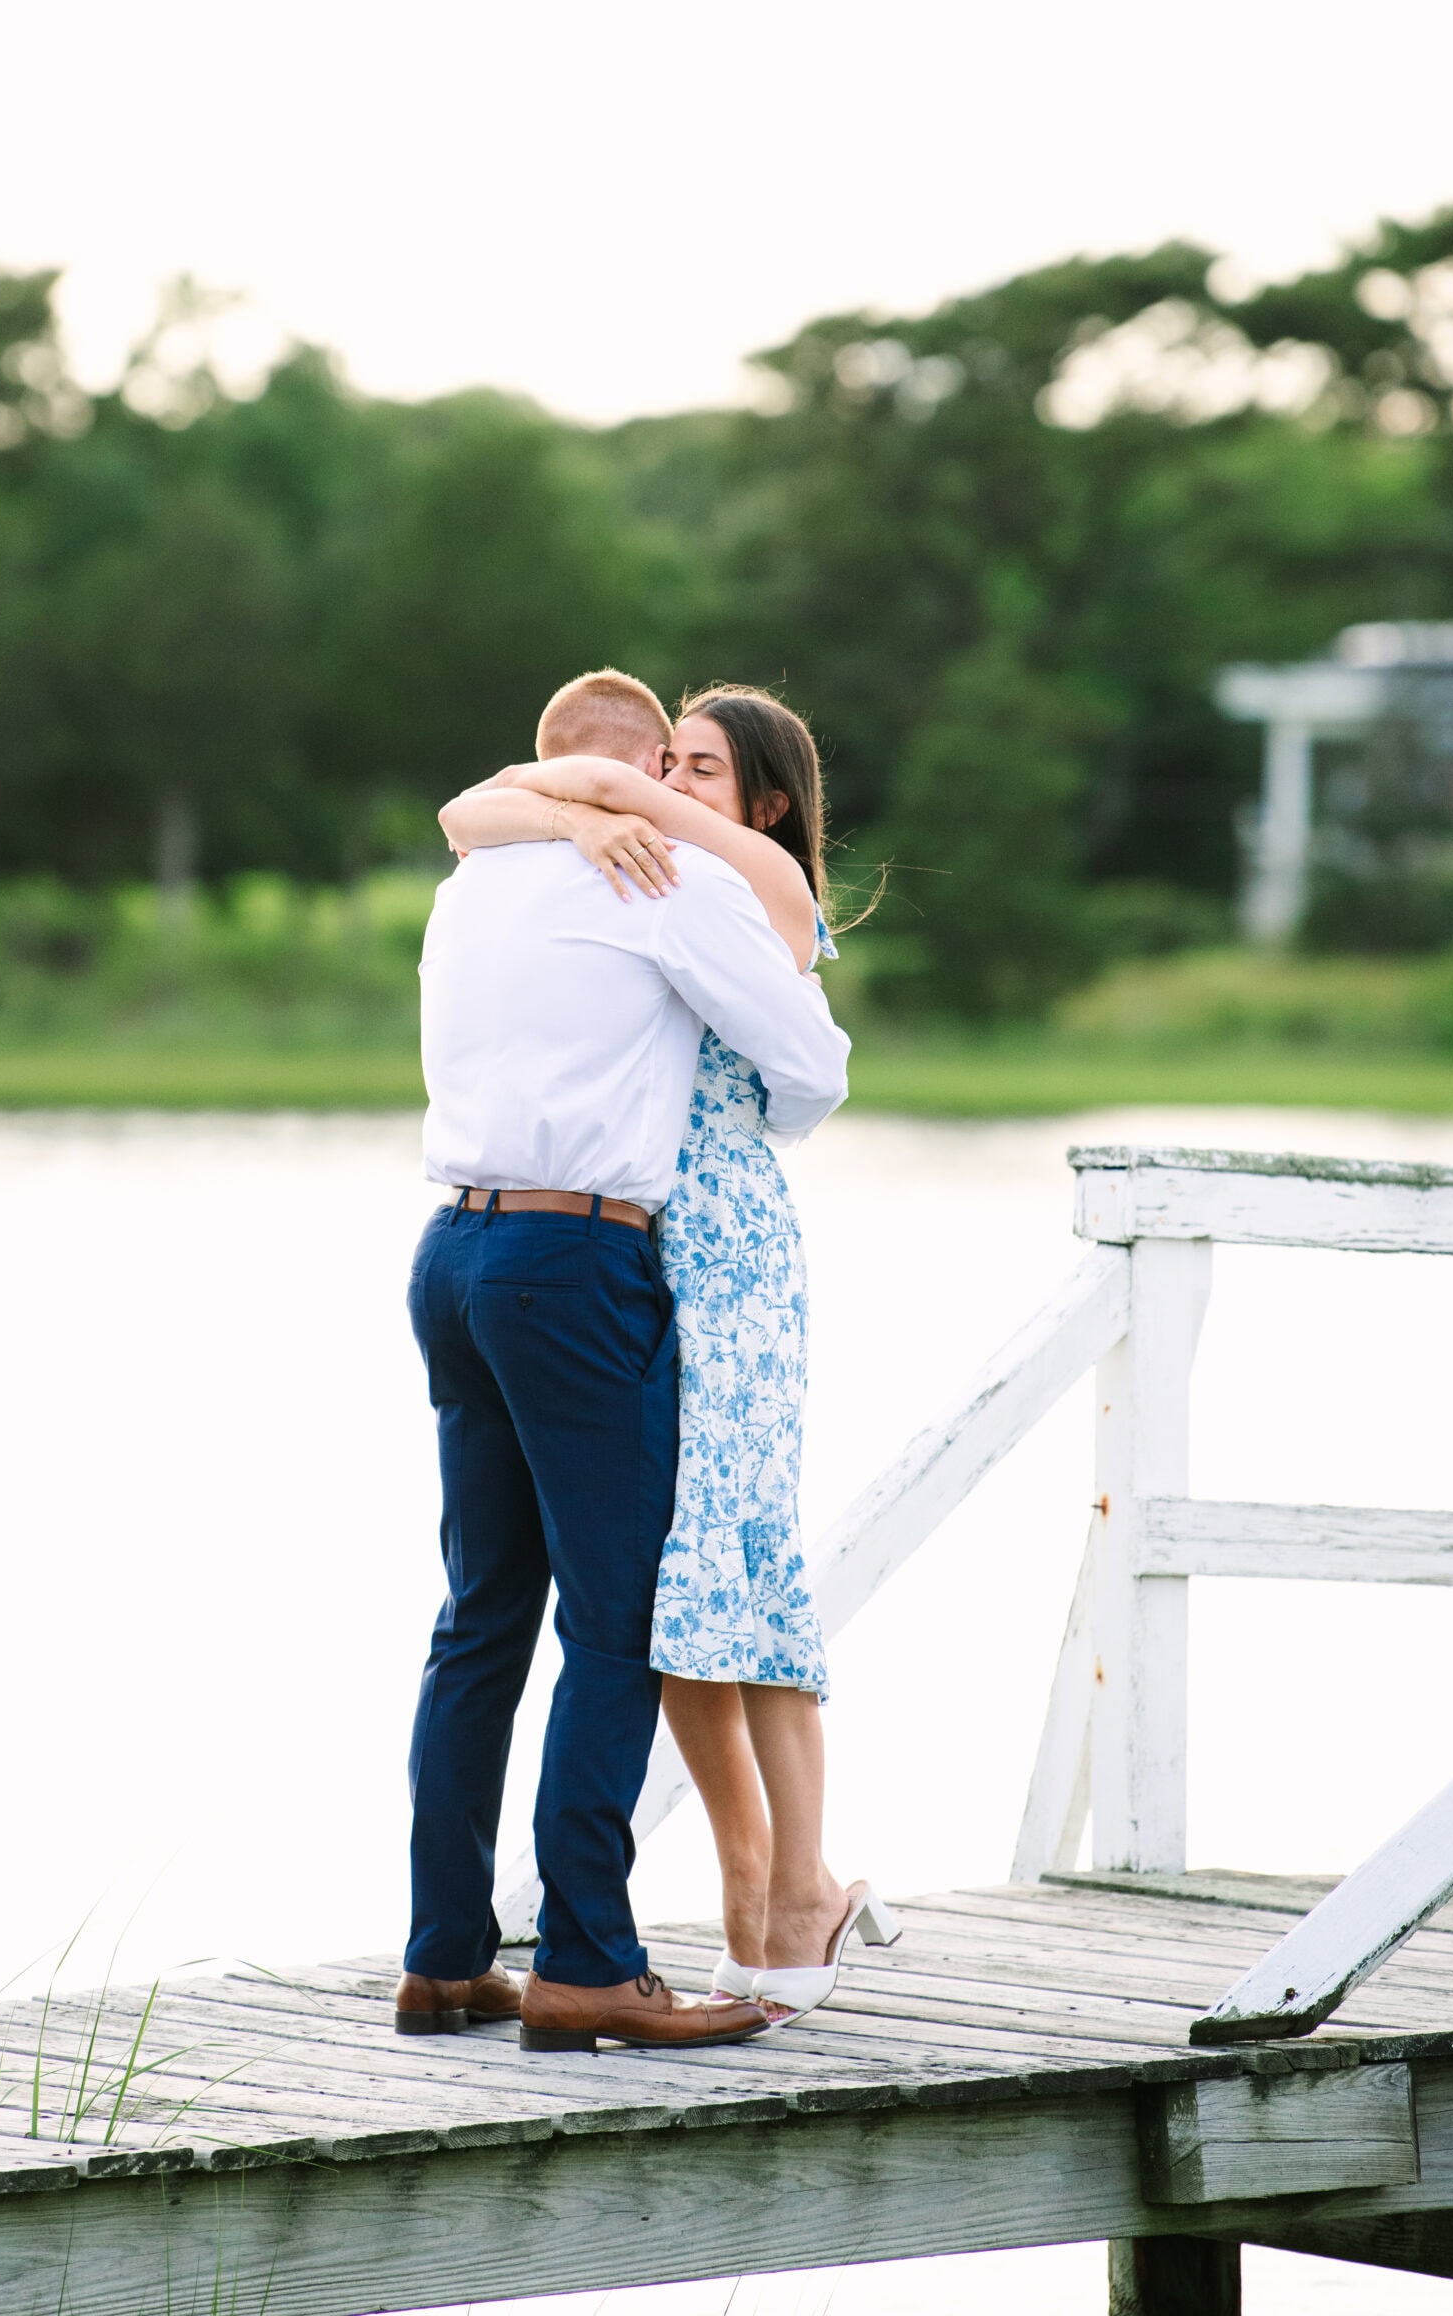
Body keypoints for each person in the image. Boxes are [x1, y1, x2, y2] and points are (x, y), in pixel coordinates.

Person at [399, 668, 850, 2053]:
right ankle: (589, 1958)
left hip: (450, 1255)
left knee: (479, 1622)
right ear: (638, 771)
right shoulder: (664, 879)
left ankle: (445, 1959)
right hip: (574, 1263)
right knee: (614, 1624)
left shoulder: (472, 876)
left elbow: (468, 814)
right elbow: (809, 1068)